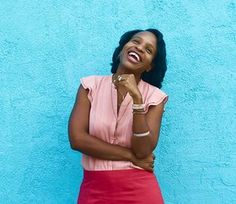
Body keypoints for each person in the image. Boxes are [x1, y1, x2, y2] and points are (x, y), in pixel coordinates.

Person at [68, 28, 168, 204]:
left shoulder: (155, 98)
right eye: (135, 41)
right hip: (94, 189)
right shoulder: (90, 86)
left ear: (150, 66)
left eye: (148, 50)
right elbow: (77, 139)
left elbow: (143, 150)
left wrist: (137, 99)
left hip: (140, 191)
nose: (139, 48)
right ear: (123, 48)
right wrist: (131, 156)